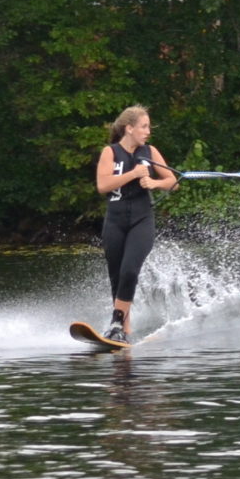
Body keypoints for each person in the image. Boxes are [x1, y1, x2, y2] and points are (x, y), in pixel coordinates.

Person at [94, 105, 176, 341]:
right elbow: (103, 186)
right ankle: (123, 331)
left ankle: (116, 323)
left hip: (142, 220)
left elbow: (172, 181)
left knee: (130, 270)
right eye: (144, 126)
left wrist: (153, 183)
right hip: (115, 221)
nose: (148, 131)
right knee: (117, 277)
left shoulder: (150, 152)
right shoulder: (110, 152)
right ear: (129, 128)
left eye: (148, 126)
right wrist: (134, 174)